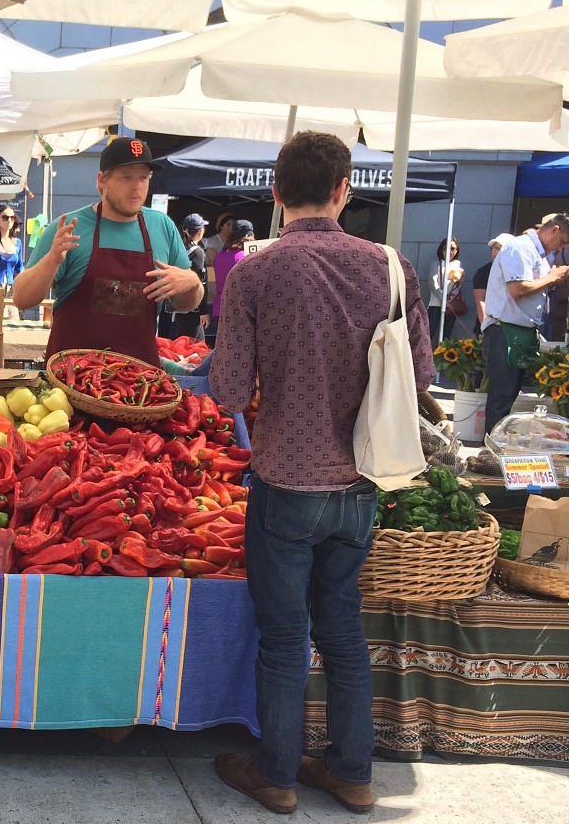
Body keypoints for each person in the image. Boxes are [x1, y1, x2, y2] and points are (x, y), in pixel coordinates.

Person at [210, 131, 433, 817]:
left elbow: (224, 389)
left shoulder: (253, 270)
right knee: (340, 630)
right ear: (343, 190)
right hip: (361, 482)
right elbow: (422, 377)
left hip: (283, 481)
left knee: (284, 636)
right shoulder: (391, 267)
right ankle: (352, 773)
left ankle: (276, 776)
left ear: (274, 194)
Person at [13, 137, 202, 366]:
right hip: (71, 381)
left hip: (139, 383)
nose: (136, 186)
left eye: (144, 177)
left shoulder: (162, 227)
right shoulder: (68, 228)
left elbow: (187, 305)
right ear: (102, 180)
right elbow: (22, 299)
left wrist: (192, 282)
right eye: (126, 177)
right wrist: (52, 260)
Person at [482, 213, 569, 430]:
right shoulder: (518, 248)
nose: (562, 248)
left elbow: (533, 286)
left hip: (522, 330)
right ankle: (490, 455)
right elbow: (518, 289)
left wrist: (552, 278)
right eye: (563, 242)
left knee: (511, 396)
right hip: (505, 331)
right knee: (502, 397)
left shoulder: (542, 255)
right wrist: (552, 277)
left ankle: (498, 447)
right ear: (554, 230)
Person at [159, 213, 210, 339]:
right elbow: (199, 281)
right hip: (191, 307)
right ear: (200, 231)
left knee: (186, 345)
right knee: (192, 349)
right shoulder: (197, 252)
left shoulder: (178, 249)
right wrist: (202, 311)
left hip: (176, 305)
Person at [208, 220, 252, 342]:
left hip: (219, 306)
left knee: (224, 345)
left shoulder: (219, 256)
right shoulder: (246, 257)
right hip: (239, 307)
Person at [426, 238, 465, 344]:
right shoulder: (436, 263)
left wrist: (458, 278)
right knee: (429, 333)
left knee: (446, 336)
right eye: (446, 248)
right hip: (436, 304)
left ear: (457, 250)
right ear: (441, 250)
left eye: (453, 249)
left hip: (451, 305)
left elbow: (458, 285)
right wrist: (442, 298)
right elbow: (432, 283)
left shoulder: (458, 264)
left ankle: (441, 358)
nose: (449, 252)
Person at [473, 234, 509, 327]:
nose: (496, 252)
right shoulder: (484, 272)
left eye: (499, 248)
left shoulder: (516, 271)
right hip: (491, 326)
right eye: (494, 248)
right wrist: (486, 326)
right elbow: (480, 301)